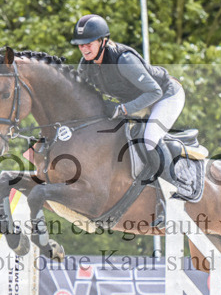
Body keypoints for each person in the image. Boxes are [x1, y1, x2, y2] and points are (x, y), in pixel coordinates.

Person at [70, 13, 185, 187]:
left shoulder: (123, 60)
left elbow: (155, 92)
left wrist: (122, 109)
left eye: (89, 44)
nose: (84, 49)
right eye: (80, 45)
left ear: (103, 41)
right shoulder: (86, 65)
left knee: (150, 137)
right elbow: (80, 96)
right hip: (140, 99)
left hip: (165, 95)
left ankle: (174, 188)